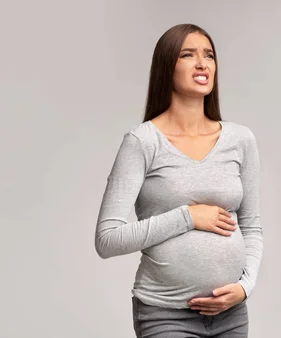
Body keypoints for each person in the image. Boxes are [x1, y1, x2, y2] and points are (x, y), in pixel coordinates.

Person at [94, 23, 263, 338]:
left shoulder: (241, 140)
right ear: (166, 67)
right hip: (164, 315)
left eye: (209, 55)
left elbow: (251, 228)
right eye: (189, 54)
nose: (202, 63)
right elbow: (107, 239)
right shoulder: (143, 141)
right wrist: (188, 217)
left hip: (232, 316)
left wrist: (245, 286)